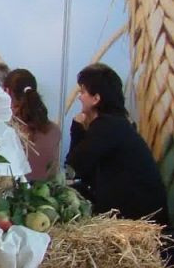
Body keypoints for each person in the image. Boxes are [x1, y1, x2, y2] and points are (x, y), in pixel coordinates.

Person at [65, 63, 168, 223]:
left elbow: (74, 168)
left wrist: (77, 128)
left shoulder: (106, 126)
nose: (79, 97)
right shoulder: (117, 123)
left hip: (137, 219)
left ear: (96, 99)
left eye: (83, 92)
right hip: (143, 213)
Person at [4, 68, 61, 180]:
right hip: (47, 189)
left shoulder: (6, 132)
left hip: (17, 189)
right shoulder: (55, 131)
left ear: (7, 92)